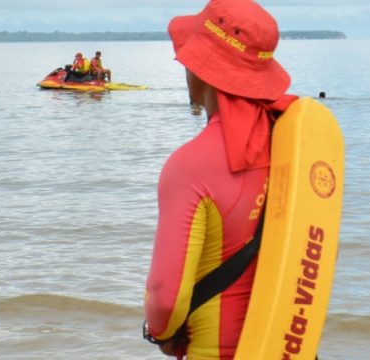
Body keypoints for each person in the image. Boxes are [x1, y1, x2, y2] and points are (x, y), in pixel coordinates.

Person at [142, 0, 296, 359]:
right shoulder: (293, 143)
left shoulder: (191, 165)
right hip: (292, 347)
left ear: (202, 71)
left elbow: (165, 299)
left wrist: (162, 334)